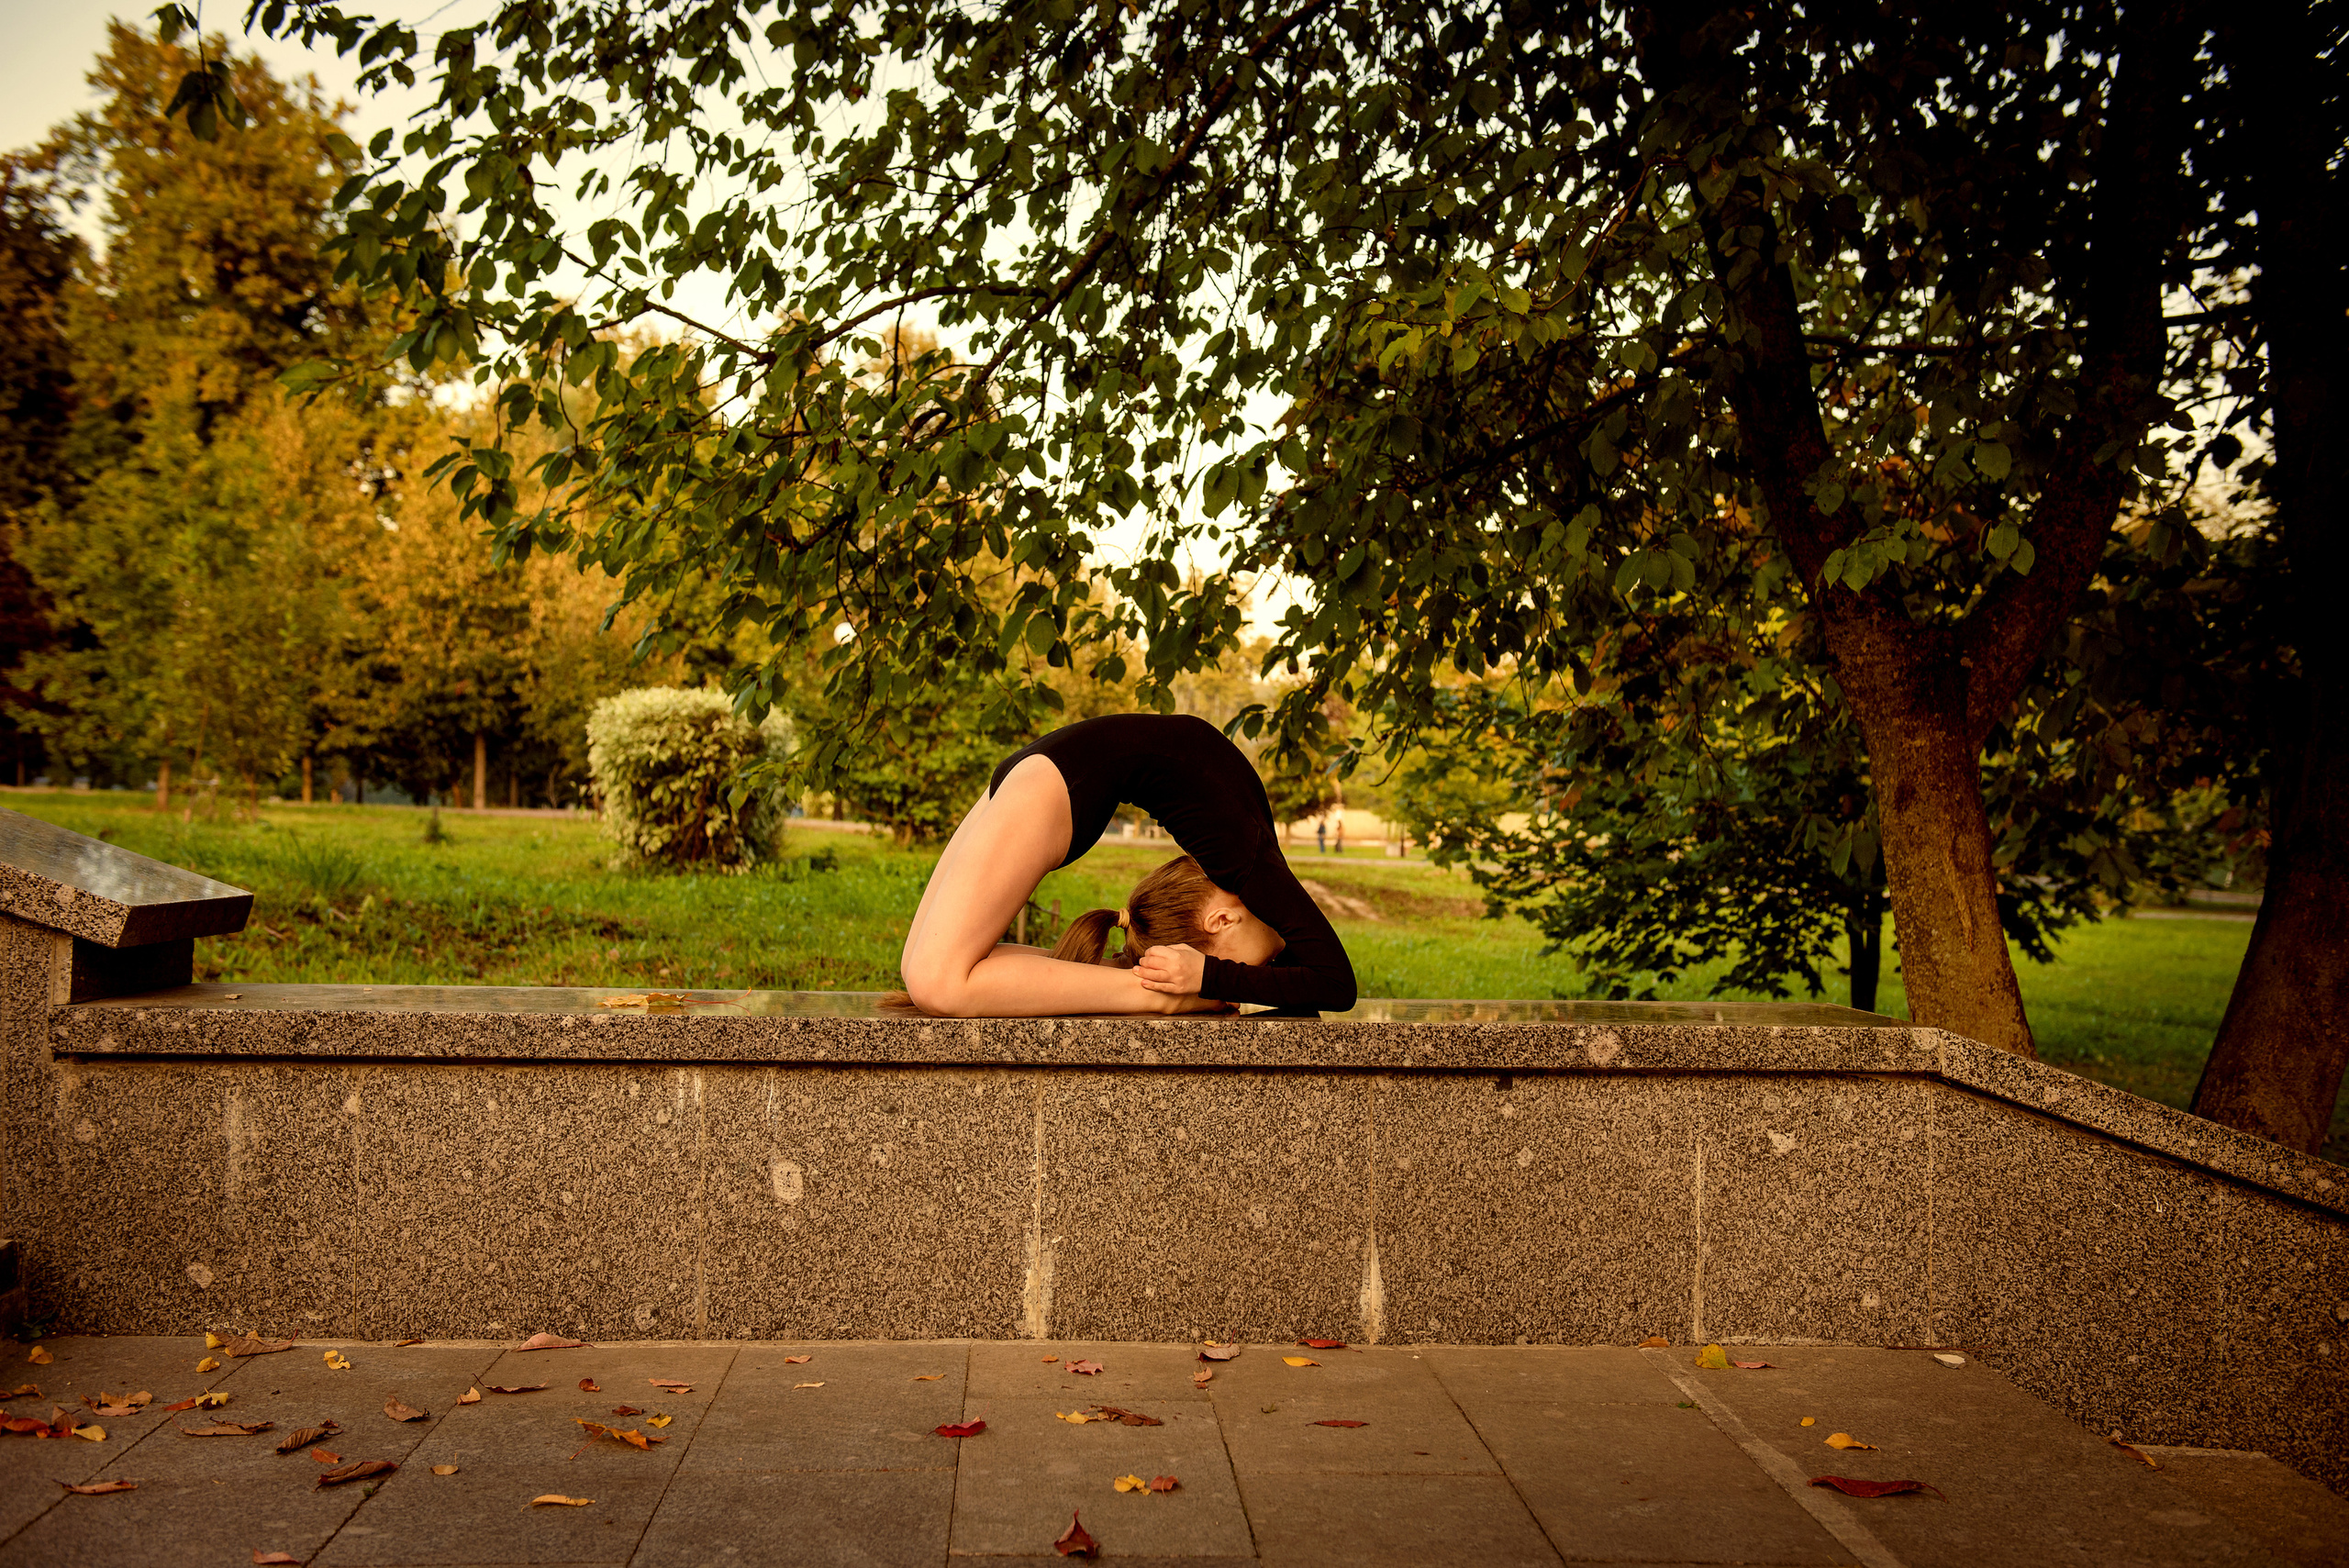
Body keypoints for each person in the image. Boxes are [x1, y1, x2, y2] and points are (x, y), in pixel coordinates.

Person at [897, 713, 1357, 1017]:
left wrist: (1207, 973)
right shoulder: (1252, 867)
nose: (1268, 966)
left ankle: (1147, 985)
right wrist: (1203, 983)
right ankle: (1160, 998)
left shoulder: (1241, 859)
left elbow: (1308, 984)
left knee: (919, 964)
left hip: (1047, 767)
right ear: (1221, 919)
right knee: (938, 982)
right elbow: (1337, 984)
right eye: (1253, 968)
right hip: (1056, 782)